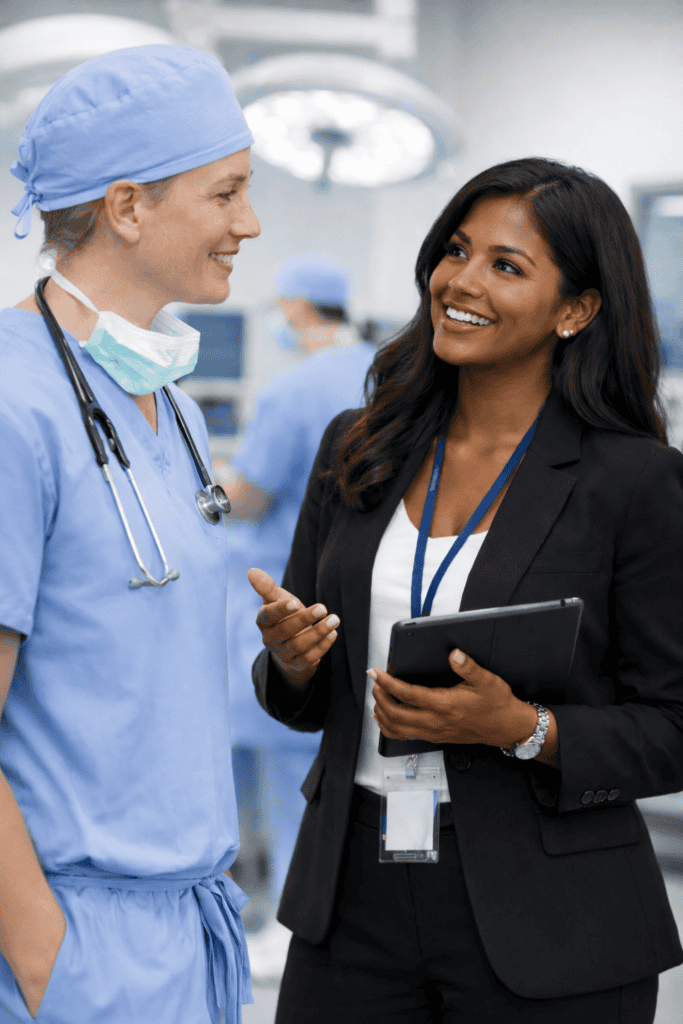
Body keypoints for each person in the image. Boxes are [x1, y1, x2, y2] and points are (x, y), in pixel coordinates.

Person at [247, 157, 683, 1023]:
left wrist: (523, 728)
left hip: (548, 915)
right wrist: (292, 662)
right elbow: (302, 696)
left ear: (575, 310)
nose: (461, 281)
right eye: (455, 249)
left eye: (505, 265)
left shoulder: (632, 481)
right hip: (350, 893)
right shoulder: (359, 446)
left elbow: (672, 724)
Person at [0, 45, 260, 1024]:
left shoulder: (169, 405)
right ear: (127, 207)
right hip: (71, 942)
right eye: (226, 192)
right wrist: (47, 960)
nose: (248, 223)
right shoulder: (14, 403)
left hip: (186, 926)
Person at [216, 255, 374, 980]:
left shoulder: (295, 389)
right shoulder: (388, 373)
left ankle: (287, 916)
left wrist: (202, 478)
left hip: (286, 594)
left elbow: (249, 497)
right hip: (362, 595)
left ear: (300, 307)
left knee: (284, 763)